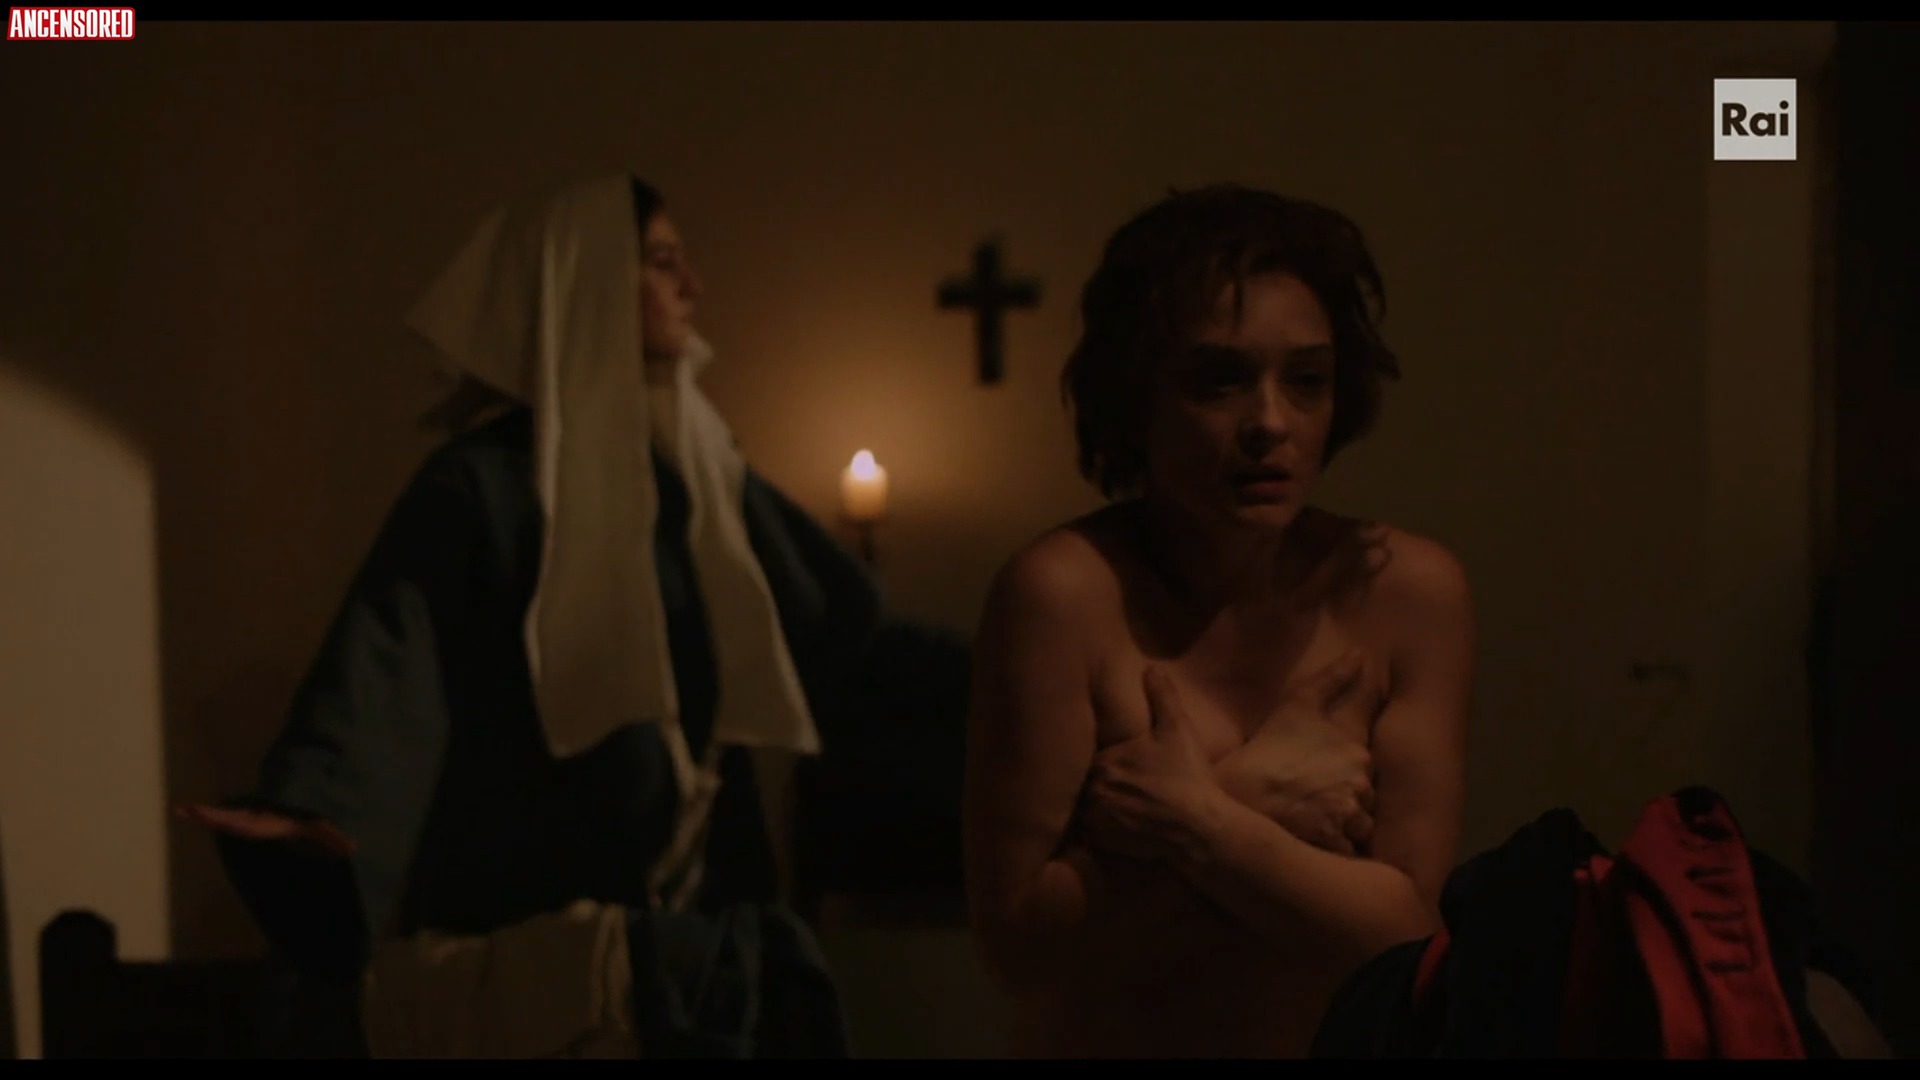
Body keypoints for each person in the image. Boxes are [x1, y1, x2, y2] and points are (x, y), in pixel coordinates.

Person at [175, 172, 970, 1058]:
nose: (692, 286)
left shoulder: (705, 474)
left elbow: (844, 638)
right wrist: (308, 817)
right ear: (584, 286)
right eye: (661, 262)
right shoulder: (482, 488)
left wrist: (1021, 675)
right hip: (543, 940)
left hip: (699, 946)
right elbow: (387, 674)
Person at [963, 183, 1476, 1057]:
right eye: (1220, 381)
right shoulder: (1063, 594)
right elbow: (1021, 952)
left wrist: (1203, 819)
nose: (1270, 423)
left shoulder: (1407, 591)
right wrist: (1262, 795)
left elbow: (1406, 940)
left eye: (1306, 381)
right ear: (1139, 395)